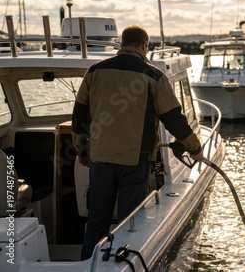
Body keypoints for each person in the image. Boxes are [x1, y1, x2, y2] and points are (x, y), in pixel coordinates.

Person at [71, 25, 204, 260]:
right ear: (144, 46)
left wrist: (83, 150)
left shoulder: (94, 71)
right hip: (134, 162)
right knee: (128, 223)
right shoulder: (153, 75)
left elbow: (79, 114)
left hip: (100, 159)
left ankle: (87, 264)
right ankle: (124, 263)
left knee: (96, 221)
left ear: (121, 44)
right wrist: (194, 148)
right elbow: (173, 117)